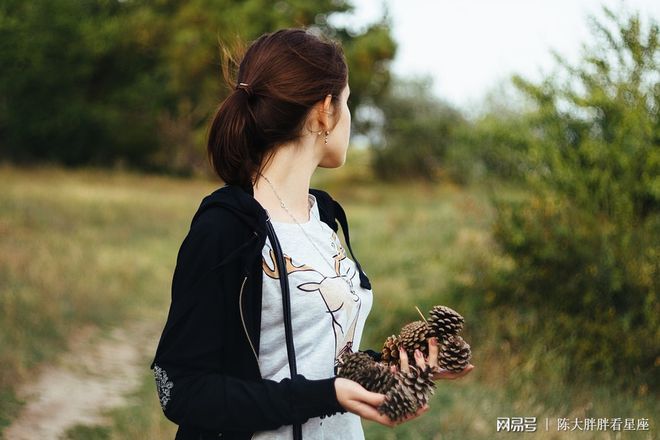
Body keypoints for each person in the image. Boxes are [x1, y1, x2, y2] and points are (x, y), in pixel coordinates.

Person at [150, 28, 472, 440]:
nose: (349, 117)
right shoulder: (224, 230)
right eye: (348, 102)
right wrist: (326, 395)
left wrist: (386, 366)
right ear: (324, 111)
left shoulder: (324, 221)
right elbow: (181, 390)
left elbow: (317, 363)